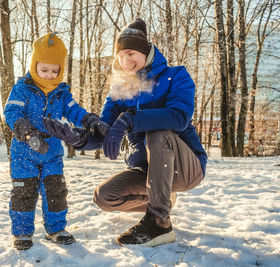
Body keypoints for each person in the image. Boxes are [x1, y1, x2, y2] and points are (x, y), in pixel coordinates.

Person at [44, 18, 207, 247]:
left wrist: (130, 119)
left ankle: (159, 223)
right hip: (147, 170)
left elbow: (178, 117)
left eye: (130, 53)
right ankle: (163, 200)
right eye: (120, 55)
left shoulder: (175, 76)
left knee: (157, 133)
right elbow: (103, 130)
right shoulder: (120, 90)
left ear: (145, 52)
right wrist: (77, 138)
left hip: (186, 167)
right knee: (104, 196)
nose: (125, 60)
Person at [4, 32, 108, 250]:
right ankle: (22, 233)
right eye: (44, 70)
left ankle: (55, 229)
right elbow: (12, 112)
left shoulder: (61, 93)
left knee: (56, 191)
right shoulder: (22, 88)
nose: (50, 75)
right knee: (24, 192)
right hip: (24, 154)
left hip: (52, 153)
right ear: (34, 65)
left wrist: (90, 120)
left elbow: (74, 112)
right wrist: (29, 134)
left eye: (55, 71)